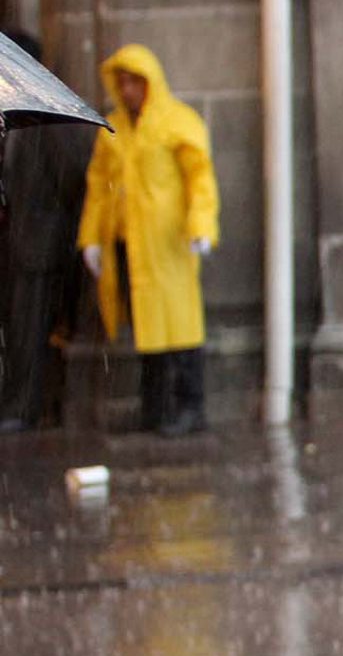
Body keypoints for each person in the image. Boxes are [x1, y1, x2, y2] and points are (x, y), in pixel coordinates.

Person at [75, 44, 220, 436]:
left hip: (169, 242)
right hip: (130, 244)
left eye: (133, 83)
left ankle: (190, 406)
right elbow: (99, 188)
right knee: (147, 329)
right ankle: (155, 408)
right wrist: (91, 237)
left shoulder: (177, 122)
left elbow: (199, 178)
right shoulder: (113, 130)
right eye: (121, 83)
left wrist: (201, 225)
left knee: (181, 327)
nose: (127, 91)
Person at [0, 30, 96, 432]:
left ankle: (24, 408)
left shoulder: (48, 122)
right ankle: (18, 403)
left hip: (40, 245)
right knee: (18, 328)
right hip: (17, 243)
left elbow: (73, 180)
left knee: (30, 329)